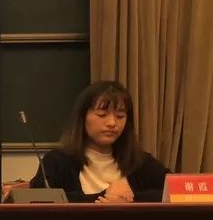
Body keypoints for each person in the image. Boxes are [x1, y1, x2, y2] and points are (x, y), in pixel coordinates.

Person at [31, 80, 168, 203]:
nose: (112, 123)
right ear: (83, 117)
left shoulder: (140, 161)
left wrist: (132, 199)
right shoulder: (56, 162)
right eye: (102, 115)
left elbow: (177, 191)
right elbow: (39, 201)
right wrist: (105, 197)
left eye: (120, 116)